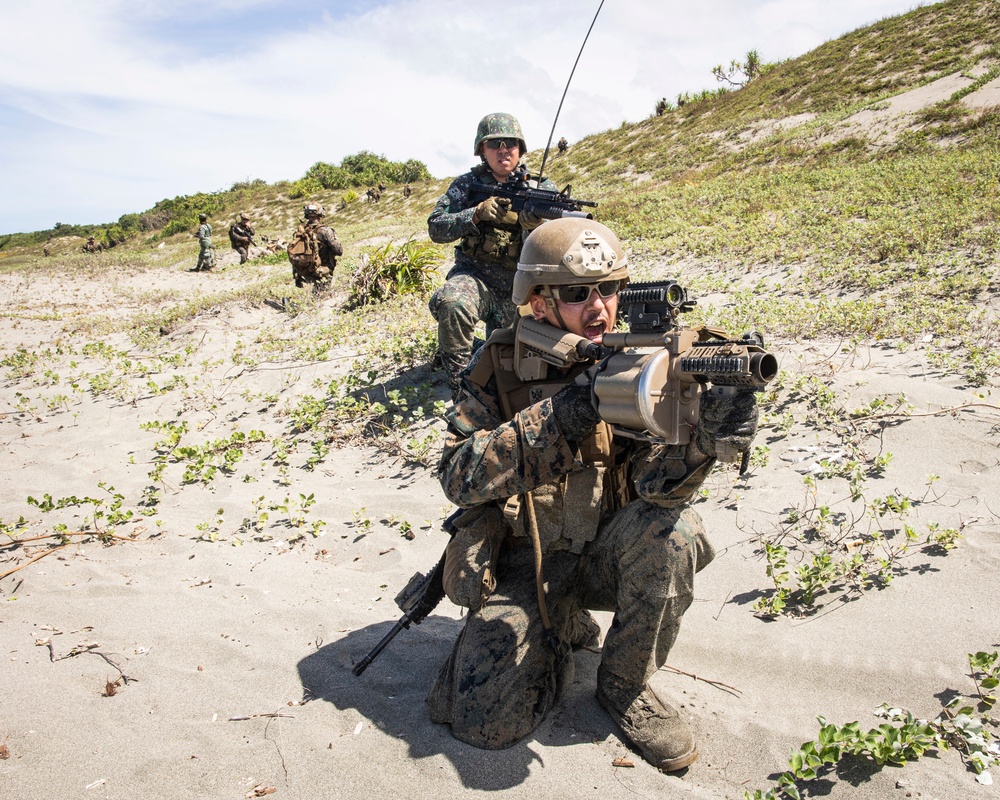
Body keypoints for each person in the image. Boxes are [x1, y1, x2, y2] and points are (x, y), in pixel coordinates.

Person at [426, 217, 759, 772]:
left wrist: (708, 439)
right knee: (485, 723)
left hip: (607, 553)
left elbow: (658, 489)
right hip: (525, 562)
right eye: (578, 294)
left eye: (609, 289)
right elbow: (458, 477)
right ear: (536, 302)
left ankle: (626, 685)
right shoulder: (502, 364)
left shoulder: (640, 364)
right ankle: (556, 627)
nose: (599, 307)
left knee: (674, 534)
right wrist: (562, 415)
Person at [427, 112, 555, 401]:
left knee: (516, 361)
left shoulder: (541, 189)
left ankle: (480, 353)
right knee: (453, 303)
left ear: (520, 149)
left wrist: (537, 227)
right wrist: (475, 214)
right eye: (493, 144)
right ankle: (462, 389)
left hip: (523, 290)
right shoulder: (467, 185)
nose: (503, 150)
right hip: (476, 278)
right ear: (482, 151)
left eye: (510, 143)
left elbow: (564, 235)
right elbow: (436, 227)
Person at [289, 203, 342, 289]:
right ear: (320, 213)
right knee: (323, 295)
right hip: (322, 270)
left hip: (305, 270)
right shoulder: (325, 231)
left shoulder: (301, 231)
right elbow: (339, 251)